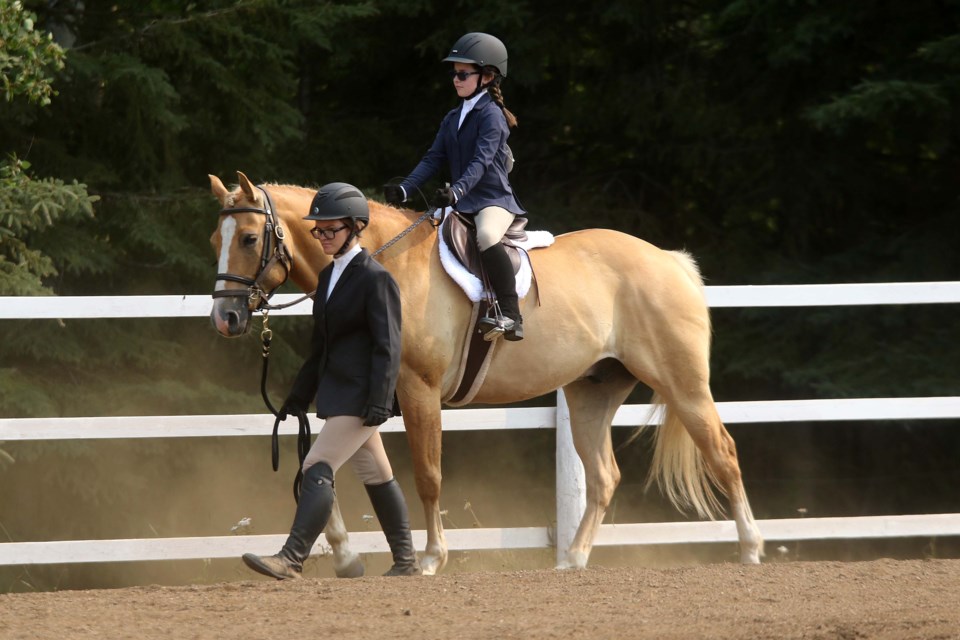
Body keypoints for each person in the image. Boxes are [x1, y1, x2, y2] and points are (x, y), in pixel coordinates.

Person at [241, 182, 421, 579]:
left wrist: (380, 400)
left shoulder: (376, 279)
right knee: (378, 473)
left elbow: (388, 346)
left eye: (330, 230)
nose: (322, 237)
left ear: (355, 228)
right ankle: (406, 562)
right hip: (338, 391)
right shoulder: (326, 281)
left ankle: (292, 558)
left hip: (361, 395)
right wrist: (297, 396)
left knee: (316, 467)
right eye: (317, 230)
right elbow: (320, 348)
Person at [384, 32, 526, 341]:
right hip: (460, 199)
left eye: (462, 74)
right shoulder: (452, 117)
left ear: (487, 76)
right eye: (454, 73)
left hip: (492, 199)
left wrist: (458, 191)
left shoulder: (492, 116)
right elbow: (434, 157)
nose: (455, 79)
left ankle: (512, 314)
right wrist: (406, 189)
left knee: (487, 236)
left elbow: (483, 160)